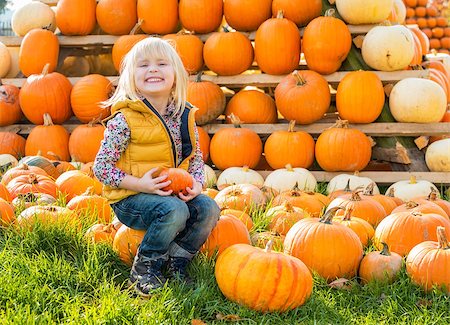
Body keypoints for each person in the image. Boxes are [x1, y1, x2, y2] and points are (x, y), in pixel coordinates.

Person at [93, 37, 220, 298]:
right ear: (131, 78)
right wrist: (140, 184)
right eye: (143, 65)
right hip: (131, 199)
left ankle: (177, 261)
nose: (153, 69)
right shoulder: (125, 119)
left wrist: (196, 184)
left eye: (161, 64)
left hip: (169, 193)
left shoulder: (184, 116)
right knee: (173, 210)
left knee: (208, 208)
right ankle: (146, 266)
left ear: (176, 75)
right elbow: (101, 168)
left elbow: (195, 158)